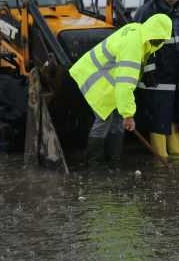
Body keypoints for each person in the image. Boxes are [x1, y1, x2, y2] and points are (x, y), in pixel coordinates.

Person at [69, 13, 172, 164]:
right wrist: (129, 115)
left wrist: (125, 113)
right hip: (96, 79)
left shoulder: (138, 31)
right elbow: (125, 83)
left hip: (106, 78)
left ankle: (114, 160)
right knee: (104, 119)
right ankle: (93, 163)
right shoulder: (133, 46)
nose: (162, 41)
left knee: (117, 119)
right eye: (161, 38)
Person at [133, 0, 179, 159]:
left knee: (174, 115)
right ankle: (160, 158)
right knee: (159, 116)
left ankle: (177, 156)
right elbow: (141, 45)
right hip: (156, 76)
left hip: (174, 73)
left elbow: (178, 41)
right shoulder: (147, 11)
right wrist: (149, 71)